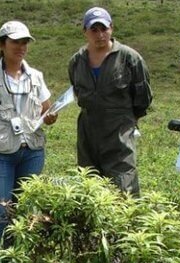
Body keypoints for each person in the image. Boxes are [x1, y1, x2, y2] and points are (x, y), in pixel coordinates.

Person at [0, 21, 56, 263]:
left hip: (32, 150)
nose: (21, 47)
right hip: (0, 153)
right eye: (15, 42)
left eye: (25, 42)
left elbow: (47, 109)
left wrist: (50, 116)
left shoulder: (36, 76)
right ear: (2, 44)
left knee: (22, 209)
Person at [69, 7, 152, 196]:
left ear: (111, 28)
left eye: (104, 29)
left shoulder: (129, 58)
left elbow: (143, 98)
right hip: (88, 133)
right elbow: (76, 89)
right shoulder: (76, 61)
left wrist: (128, 122)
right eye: (94, 30)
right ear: (85, 32)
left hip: (119, 134)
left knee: (124, 190)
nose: (100, 35)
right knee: (89, 189)